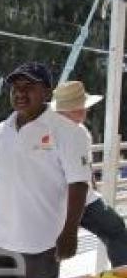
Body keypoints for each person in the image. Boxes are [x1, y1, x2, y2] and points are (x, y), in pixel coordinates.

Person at [0, 63, 91, 278]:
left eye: (29, 86)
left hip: (41, 246)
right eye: (15, 87)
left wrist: (70, 232)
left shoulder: (69, 132)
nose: (20, 92)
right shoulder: (0, 131)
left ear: (47, 92)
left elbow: (78, 185)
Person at [52, 80, 127, 267]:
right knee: (115, 229)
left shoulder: (77, 130)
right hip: (75, 199)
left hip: (73, 198)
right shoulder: (73, 132)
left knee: (115, 229)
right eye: (80, 107)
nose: (85, 111)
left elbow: (86, 167)